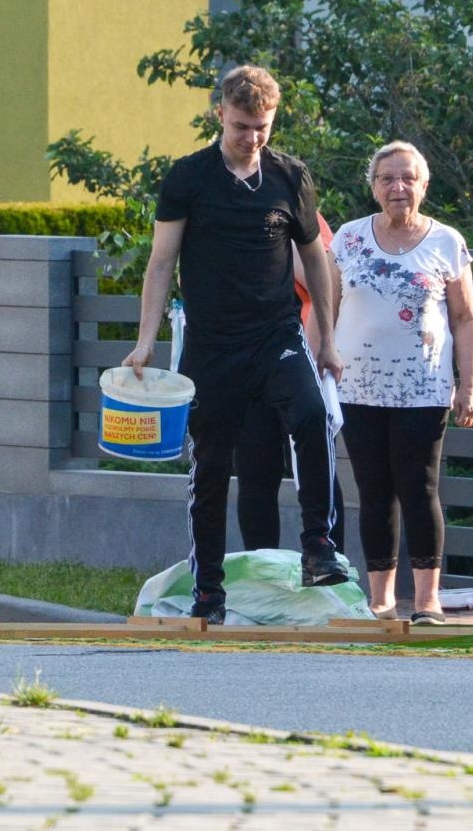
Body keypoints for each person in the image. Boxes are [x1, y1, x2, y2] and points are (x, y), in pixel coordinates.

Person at [124, 64, 344, 624]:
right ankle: (209, 592)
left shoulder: (289, 177)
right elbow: (161, 261)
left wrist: (329, 340)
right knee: (213, 465)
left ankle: (318, 546)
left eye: (263, 127)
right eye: (243, 126)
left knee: (313, 414)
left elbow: (316, 258)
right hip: (212, 344)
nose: (252, 138)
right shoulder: (188, 178)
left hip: (276, 333)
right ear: (220, 114)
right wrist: (146, 341)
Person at [331, 141, 473, 626]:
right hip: (358, 387)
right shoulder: (349, 239)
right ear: (373, 186)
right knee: (374, 491)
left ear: (424, 185)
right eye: (387, 179)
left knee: (419, 488)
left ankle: (428, 601)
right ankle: (380, 600)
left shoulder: (446, 242)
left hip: (423, 387)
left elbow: (465, 318)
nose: (398, 187)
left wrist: (469, 384)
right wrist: (321, 367)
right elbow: (326, 308)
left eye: (408, 178)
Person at [233, 214, 345, 553]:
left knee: (314, 467)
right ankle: (261, 572)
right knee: (254, 470)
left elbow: (320, 280)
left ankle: (329, 565)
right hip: (247, 358)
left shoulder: (291, 205)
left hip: (297, 355)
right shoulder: (222, 206)